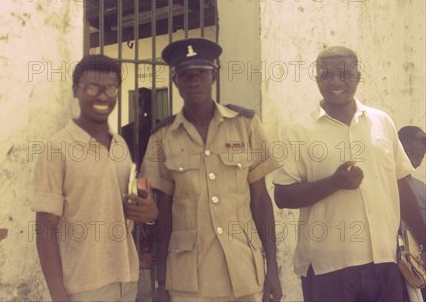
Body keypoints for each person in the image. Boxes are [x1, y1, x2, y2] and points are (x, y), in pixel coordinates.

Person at [273, 46, 426, 302]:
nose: (335, 82)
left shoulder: (381, 122)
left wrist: (423, 239)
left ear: (357, 75)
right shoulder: (299, 131)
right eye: (326, 75)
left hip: (385, 263)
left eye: (343, 73)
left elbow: (401, 186)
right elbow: (283, 196)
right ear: (316, 78)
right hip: (328, 268)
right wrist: (334, 183)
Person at [141, 38, 283, 302]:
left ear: (214, 76)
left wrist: (272, 270)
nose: (194, 81)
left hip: (242, 273)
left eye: (201, 74)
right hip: (189, 281)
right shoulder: (162, 137)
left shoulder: (246, 125)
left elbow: (261, 200)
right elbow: (163, 214)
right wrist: (161, 284)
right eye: (186, 75)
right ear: (175, 82)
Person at [32, 54, 158, 302]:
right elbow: (45, 228)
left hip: (127, 280)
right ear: (75, 91)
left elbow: (125, 207)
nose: (103, 96)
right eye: (92, 87)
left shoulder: (120, 144)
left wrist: (149, 212)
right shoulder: (57, 149)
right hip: (84, 287)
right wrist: (59, 297)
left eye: (110, 88)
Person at [121, 87, 160, 301]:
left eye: (146, 101)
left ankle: (157, 277)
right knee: (133, 232)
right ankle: (138, 266)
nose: (143, 105)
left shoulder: (160, 128)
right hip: (133, 187)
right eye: (139, 101)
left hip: (159, 188)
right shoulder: (125, 131)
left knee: (157, 230)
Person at [398, 126, 426, 300]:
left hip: (417, 267)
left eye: (420, 157)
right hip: (388, 266)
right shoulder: (379, 185)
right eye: (408, 152)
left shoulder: (422, 190)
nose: (413, 161)